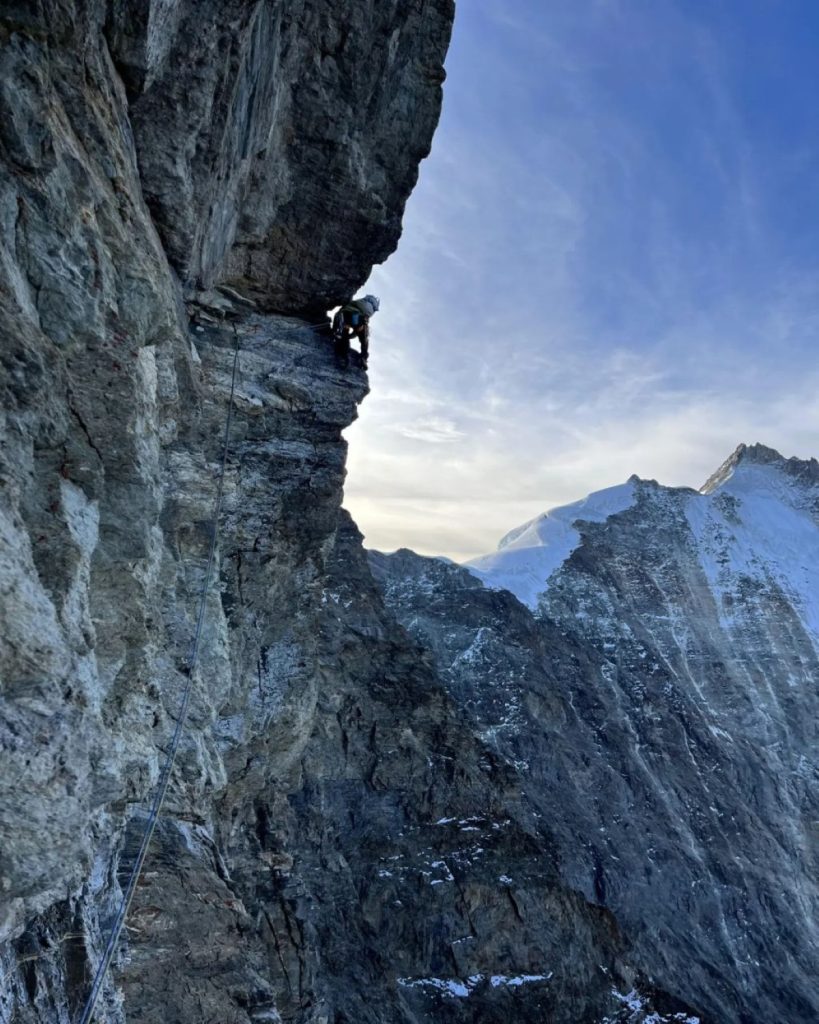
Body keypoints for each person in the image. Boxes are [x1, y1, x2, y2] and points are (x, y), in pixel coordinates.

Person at [332, 294, 379, 368]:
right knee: (364, 339)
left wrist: (334, 331)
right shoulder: (367, 311)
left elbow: (338, 317)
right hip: (361, 321)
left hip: (348, 315)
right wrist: (355, 333)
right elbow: (358, 330)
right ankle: (363, 357)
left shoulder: (355, 303)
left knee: (344, 332)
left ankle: (343, 356)